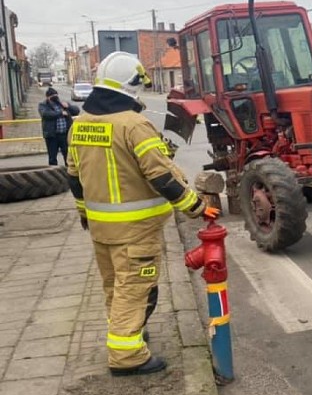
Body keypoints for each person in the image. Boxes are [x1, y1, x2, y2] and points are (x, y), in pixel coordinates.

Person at [66, 51, 218, 376]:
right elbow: (161, 176)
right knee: (136, 288)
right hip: (136, 232)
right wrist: (196, 207)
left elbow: (73, 176)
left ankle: (127, 331)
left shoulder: (79, 124)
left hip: (100, 229)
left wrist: (84, 214)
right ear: (132, 85)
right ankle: (127, 355)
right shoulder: (134, 126)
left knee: (115, 286)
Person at [39, 87, 80, 166]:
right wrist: (60, 113)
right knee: (52, 157)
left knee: (67, 155)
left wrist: (68, 107)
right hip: (52, 135)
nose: (55, 98)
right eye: (53, 96)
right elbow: (45, 114)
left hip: (65, 135)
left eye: (56, 96)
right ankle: (53, 173)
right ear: (48, 97)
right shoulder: (43, 105)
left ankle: (68, 172)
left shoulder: (62, 104)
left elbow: (76, 111)